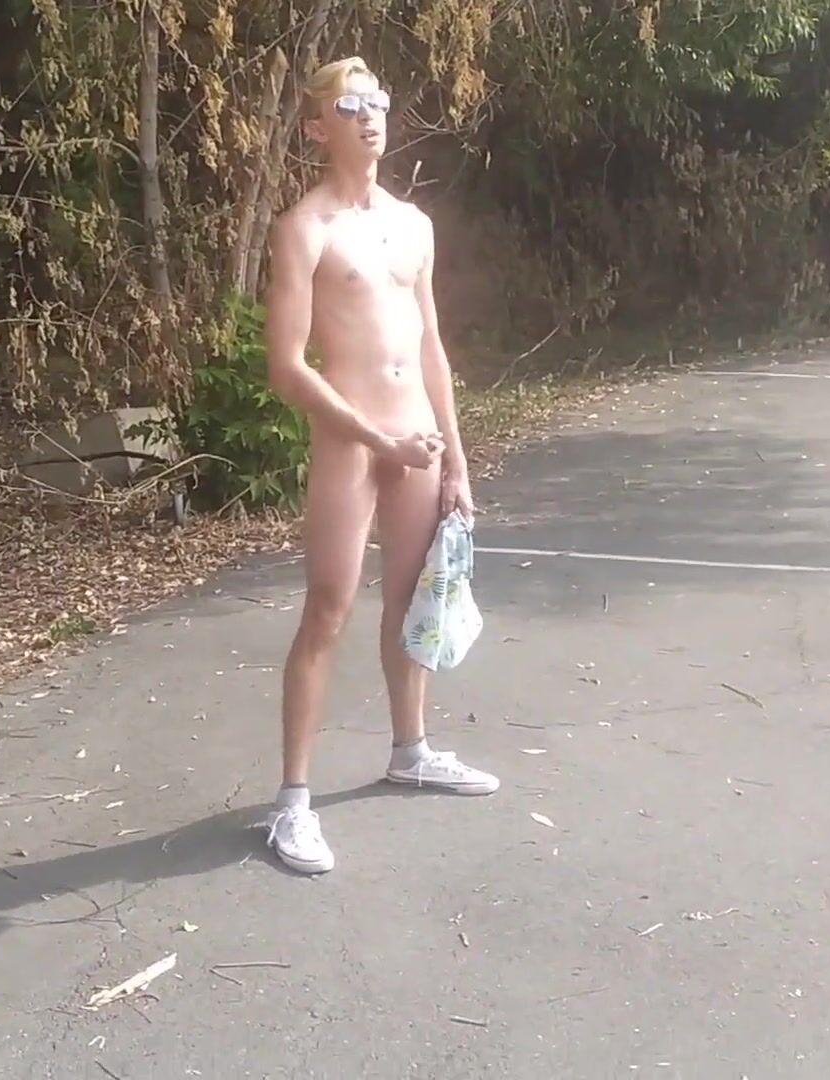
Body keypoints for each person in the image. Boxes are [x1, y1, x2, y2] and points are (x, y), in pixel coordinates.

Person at [258, 56, 500, 875]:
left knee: (412, 603)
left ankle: (411, 750)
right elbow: (287, 368)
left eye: (378, 102)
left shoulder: (413, 225)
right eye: (349, 105)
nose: (368, 116)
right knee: (327, 612)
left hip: (419, 440)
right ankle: (293, 803)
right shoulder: (305, 228)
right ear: (316, 128)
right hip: (353, 445)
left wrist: (456, 459)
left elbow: (432, 348)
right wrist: (376, 439)